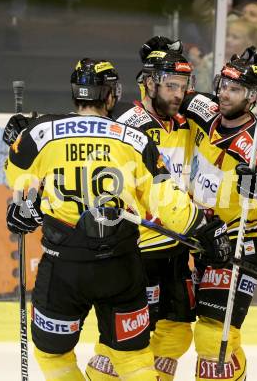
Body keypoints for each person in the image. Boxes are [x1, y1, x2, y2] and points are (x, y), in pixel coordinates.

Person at [3, 58, 232, 381]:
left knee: (53, 354)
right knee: (134, 357)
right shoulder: (135, 139)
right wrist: (206, 231)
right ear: (111, 95)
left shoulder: (40, 133)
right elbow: (170, 204)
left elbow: (19, 183)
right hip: (121, 268)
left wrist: (23, 199)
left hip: (64, 267)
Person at [180, 47, 257, 380]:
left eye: (234, 89)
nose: (224, 94)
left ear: (251, 97)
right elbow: (166, 100)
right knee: (176, 327)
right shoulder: (203, 109)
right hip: (201, 234)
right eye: (223, 85)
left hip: (240, 242)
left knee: (212, 335)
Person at [85, 38, 198, 381]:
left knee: (177, 332)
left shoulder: (185, 121)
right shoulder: (129, 127)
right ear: (148, 83)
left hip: (176, 243)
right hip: (138, 247)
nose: (179, 94)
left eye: (183, 87)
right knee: (125, 339)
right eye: (171, 86)